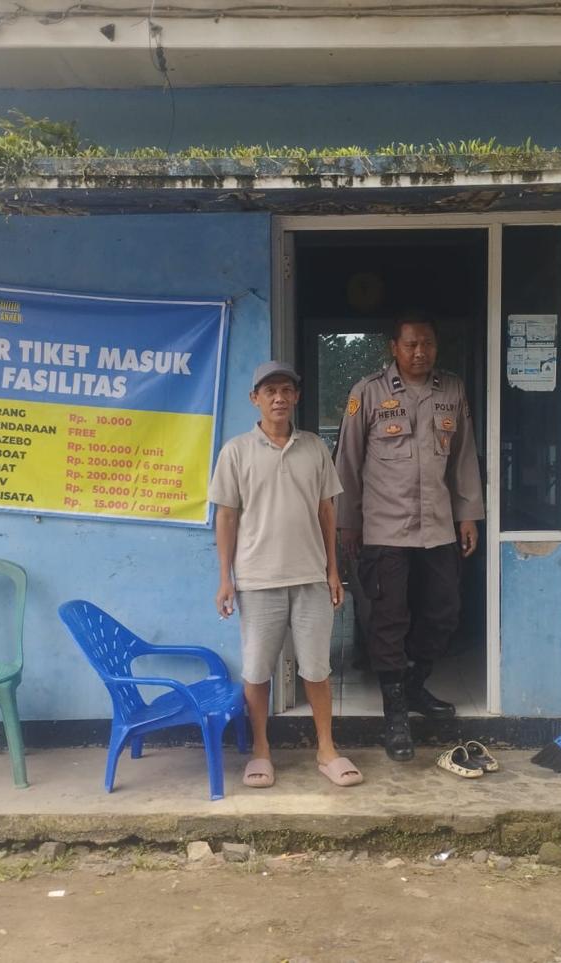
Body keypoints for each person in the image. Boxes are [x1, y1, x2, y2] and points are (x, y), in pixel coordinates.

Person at [334, 312, 484, 761]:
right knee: (388, 619)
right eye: (411, 344)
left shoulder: (451, 390)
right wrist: (348, 522)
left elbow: (463, 457)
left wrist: (468, 515)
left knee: (444, 612)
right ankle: (395, 713)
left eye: (428, 344)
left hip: (437, 526)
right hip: (385, 528)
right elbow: (347, 461)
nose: (420, 352)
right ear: (393, 348)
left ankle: (415, 685)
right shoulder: (368, 392)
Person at [209, 360, 364, 789]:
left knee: (317, 669)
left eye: (286, 390)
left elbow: (327, 510)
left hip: (311, 578)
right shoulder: (236, 451)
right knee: (257, 671)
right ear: (255, 398)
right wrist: (225, 578)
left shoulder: (314, 448)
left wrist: (333, 570)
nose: (278, 398)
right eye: (269, 391)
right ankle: (261, 750)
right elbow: (226, 517)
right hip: (257, 580)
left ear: (295, 397)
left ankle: (326, 749)